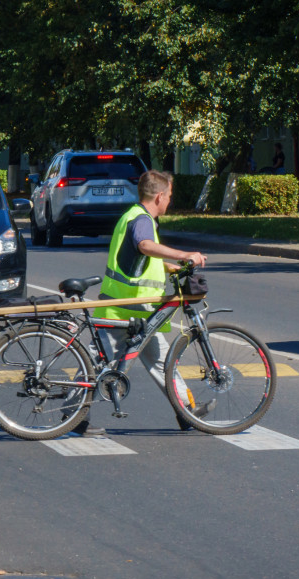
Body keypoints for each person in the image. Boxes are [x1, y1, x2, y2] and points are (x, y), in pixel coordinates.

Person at [78, 170, 207, 437]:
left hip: (140, 313)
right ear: (159, 196)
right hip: (123, 311)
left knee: (162, 361)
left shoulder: (133, 215)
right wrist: (184, 255)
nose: (169, 201)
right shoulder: (142, 219)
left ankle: (186, 412)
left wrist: (165, 267)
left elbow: (137, 257)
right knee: (94, 363)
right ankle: (73, 416)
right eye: (169, 196)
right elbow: (145, 245)